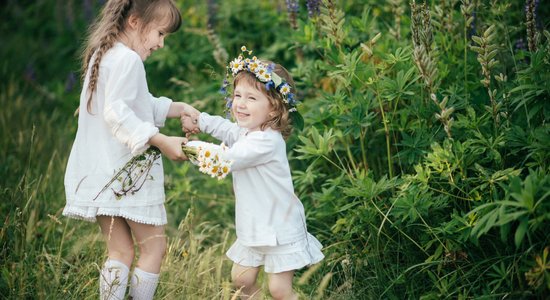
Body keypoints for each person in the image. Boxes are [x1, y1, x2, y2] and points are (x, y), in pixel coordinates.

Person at [62, 1, 199, 299]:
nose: (161, 44)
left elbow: (139, 102)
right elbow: (118, 113)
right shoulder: (128, 60)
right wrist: (162, 141)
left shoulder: (106, 54)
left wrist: (180, 109)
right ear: (135, 22)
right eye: (160, 34)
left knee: (119, 251)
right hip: (128, 176)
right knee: (154, 248)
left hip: (101, 173)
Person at [181, 46, 324, 300]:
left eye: (251, 98)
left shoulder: (267, 141)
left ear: (273, 109)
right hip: (254, 226)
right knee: (241, 279)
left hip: (279, 229)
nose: (240, 104)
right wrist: (200, 119)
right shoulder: (248, 132)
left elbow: (226, 157)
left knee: (279, 290)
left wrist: (187, 148)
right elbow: (227, 130)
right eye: (237, 95)